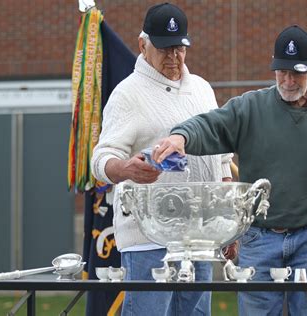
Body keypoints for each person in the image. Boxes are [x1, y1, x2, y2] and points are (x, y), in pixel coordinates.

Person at [153, 25, 307, 315]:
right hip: (259, 237)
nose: (287, 81)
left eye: (296, 73)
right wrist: (181, 137)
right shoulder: (250, 107)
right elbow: (211, 124)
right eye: (281, 71)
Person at [90, 3, 233, 316]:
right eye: (164, 49)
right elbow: (100, 158)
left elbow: (222, 161)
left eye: (180, 48)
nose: (174, 57)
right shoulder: (127, 94)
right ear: (143, 45)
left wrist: (227, 224)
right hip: (148, 238)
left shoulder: (203, 89)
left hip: (201, 235)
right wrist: (125, 168)